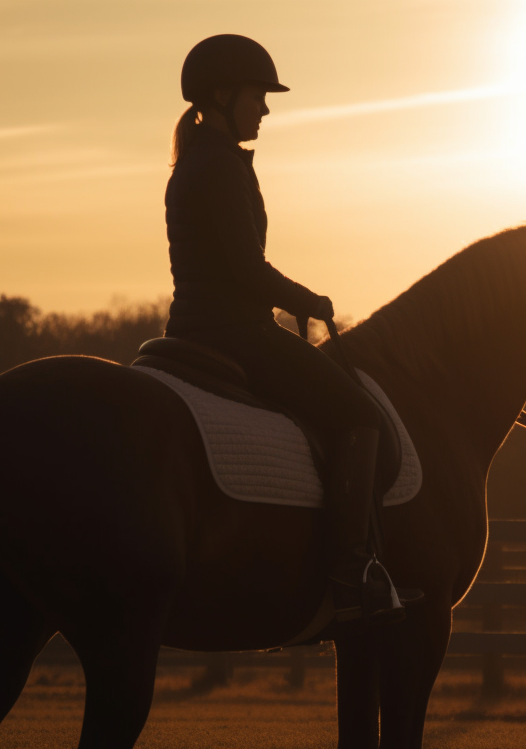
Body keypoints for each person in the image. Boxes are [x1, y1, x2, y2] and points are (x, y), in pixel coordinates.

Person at [162, 34, 419, 623]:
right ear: (223, 94)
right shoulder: (219, 167)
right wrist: (312, 300)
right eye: (259, 96)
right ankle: (352, 569)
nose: (266, 109)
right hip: (233, 334)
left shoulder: (198, 160)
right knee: (358, 414)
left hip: (195, 329)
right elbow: (246, 269)